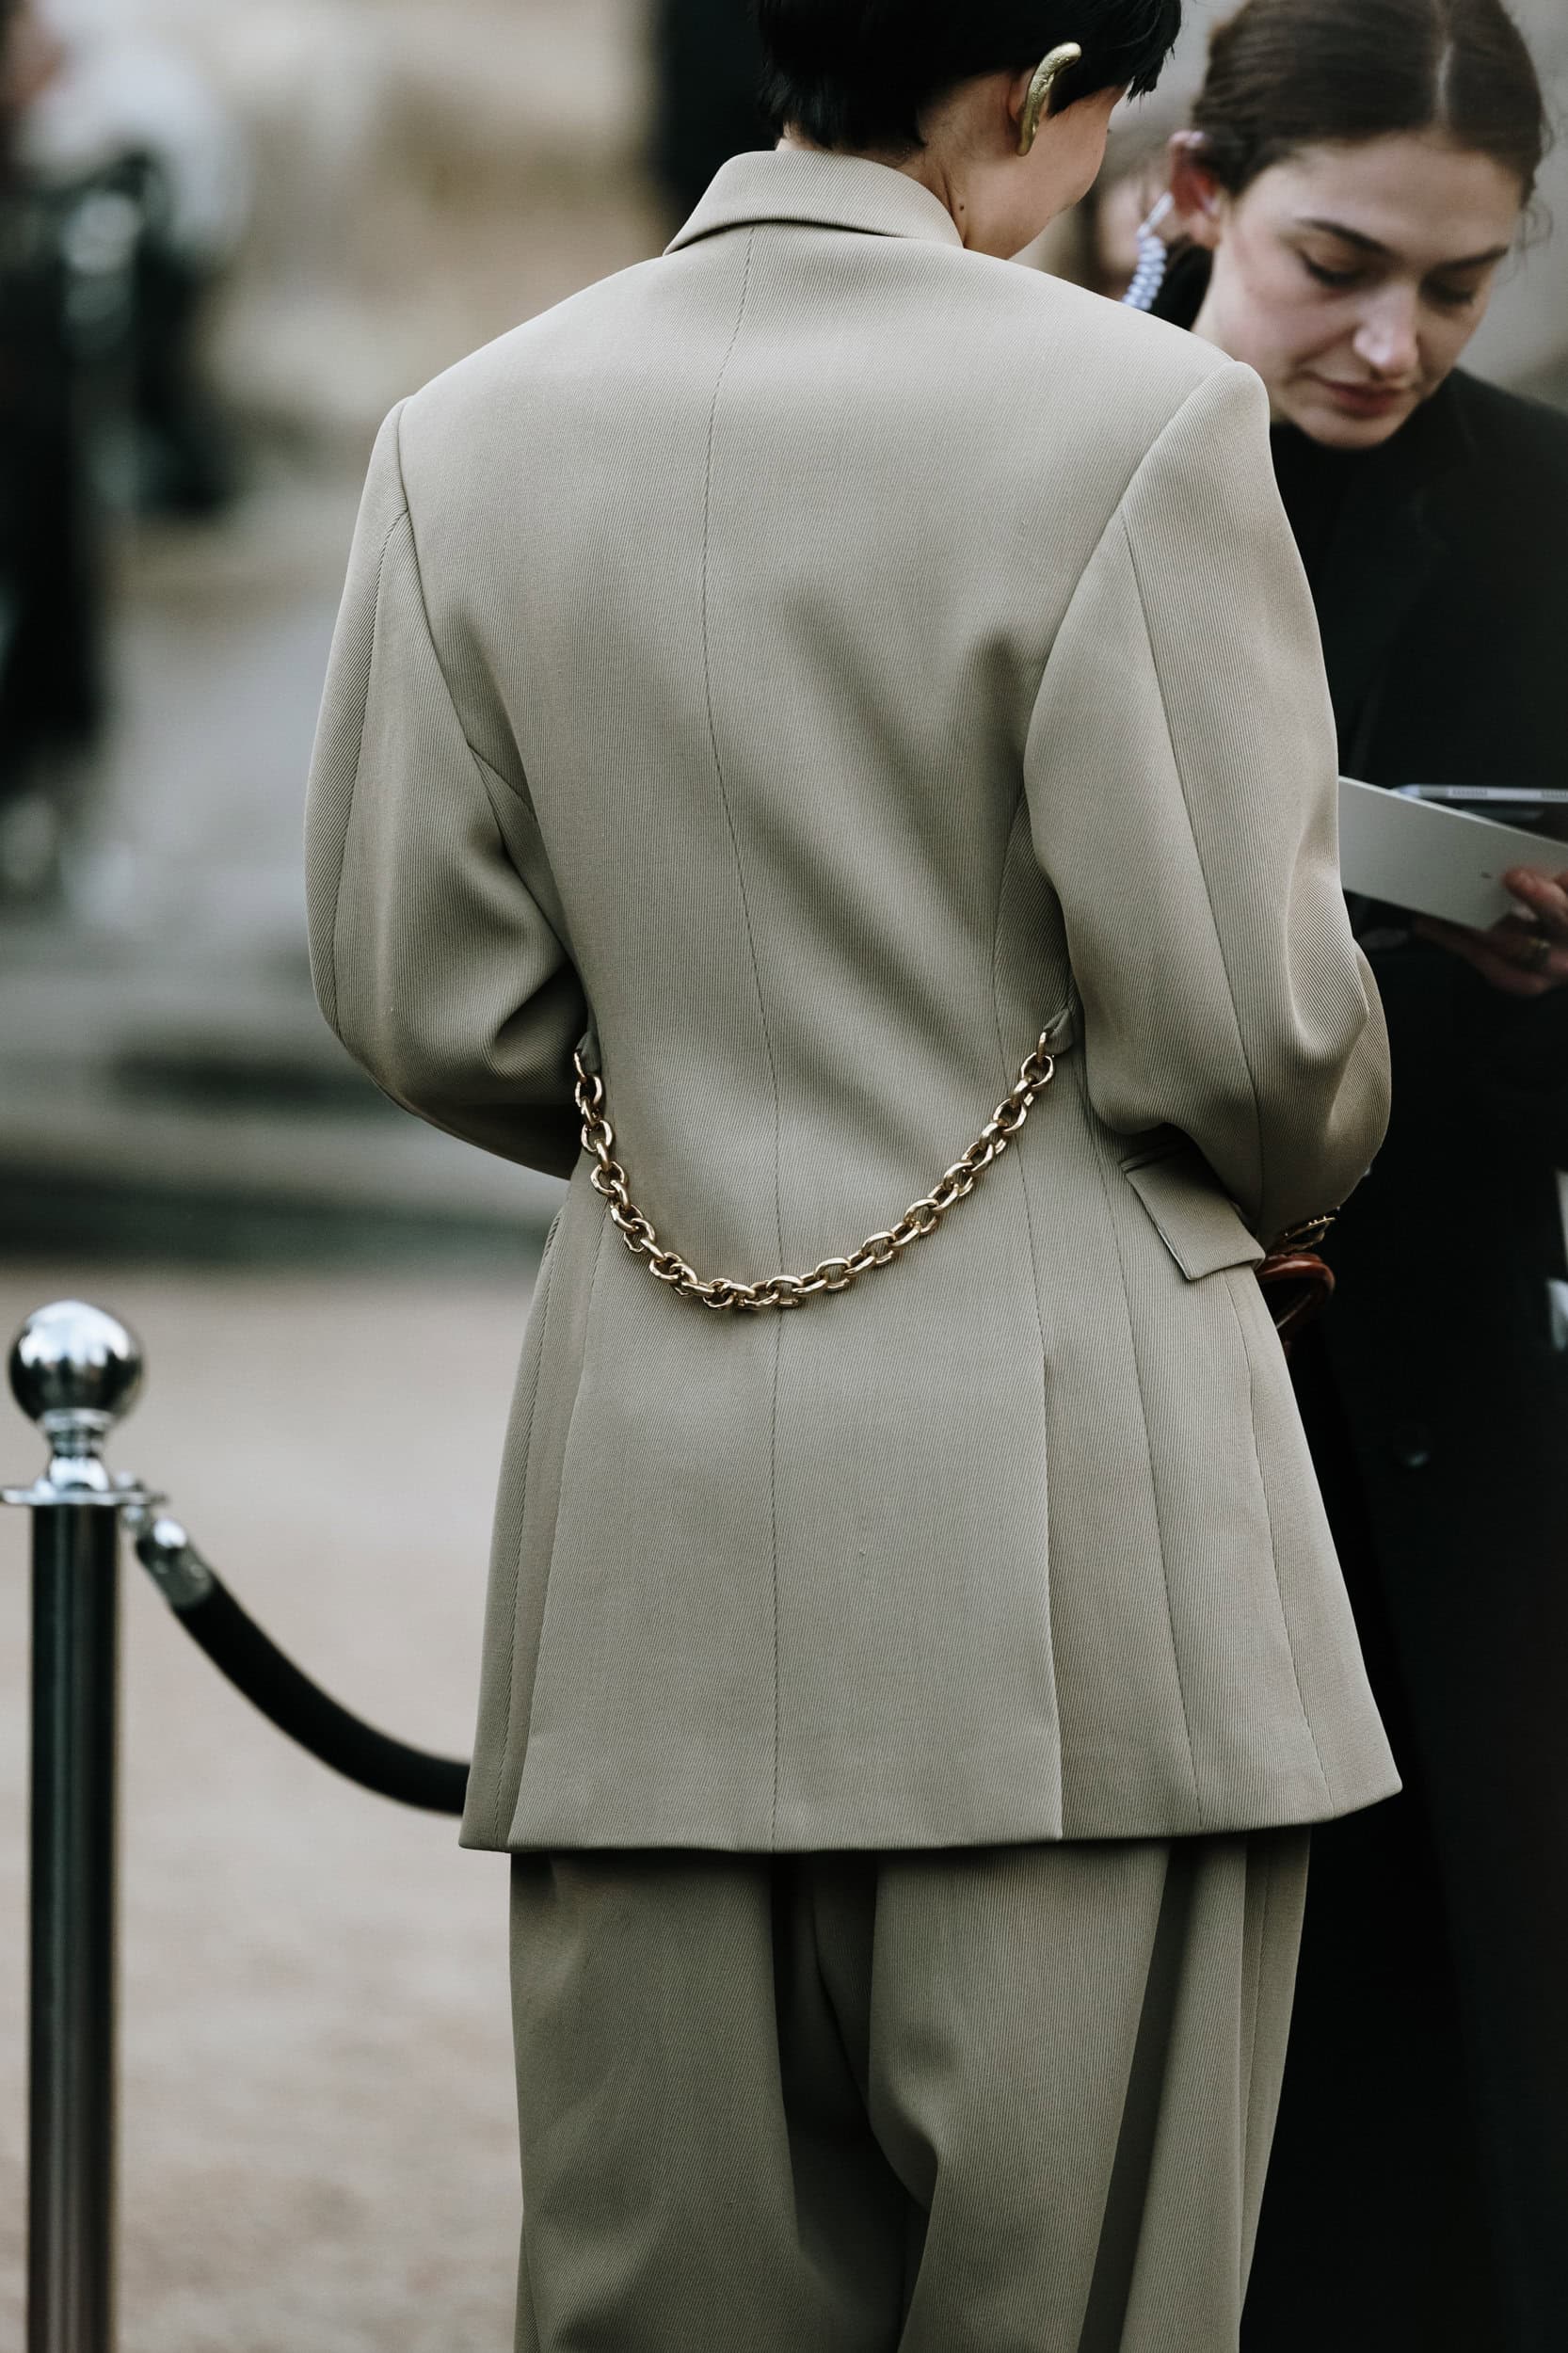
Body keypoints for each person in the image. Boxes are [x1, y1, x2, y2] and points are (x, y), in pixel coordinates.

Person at [305, 4, 1396, 2345]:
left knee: (662, 2295)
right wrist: (1295, 1146)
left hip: (650, 1513)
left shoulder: (460, 434)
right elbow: (1243, 1024)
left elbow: (426, 995)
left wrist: (681, 1086)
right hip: (1085, 1540)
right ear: (1046, 76)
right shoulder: (1141, 419)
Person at [1136, 4, 1568, 2345]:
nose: (1394, 338)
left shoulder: (1537, 513)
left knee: (1422, 2117)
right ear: (1187, 187)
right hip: (1099, 1377)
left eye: (1464, 281)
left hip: (1420, 1410)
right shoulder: (1038, 466)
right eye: (1336, 262)